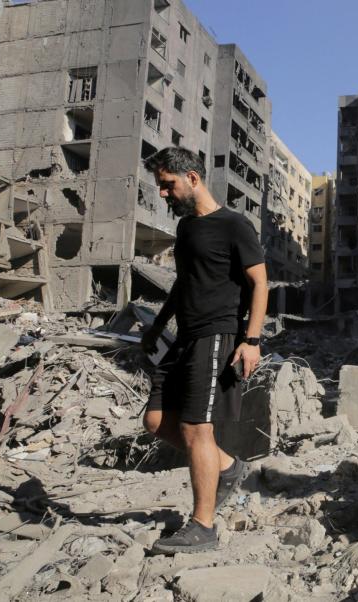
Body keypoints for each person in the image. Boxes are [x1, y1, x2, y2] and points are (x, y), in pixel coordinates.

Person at [140, 147, 269, 554]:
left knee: (198, 429)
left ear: (192, 178)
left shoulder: (234, 225)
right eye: (161, 186)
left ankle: (203, 526)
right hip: (185, 336)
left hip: (217, 334)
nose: (163, 194)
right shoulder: (186, 231)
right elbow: (183, 284)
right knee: (156, 421)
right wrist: (158, 325)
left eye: (168, 185)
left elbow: (260, 284)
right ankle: (229, 466)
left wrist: (251, 340)